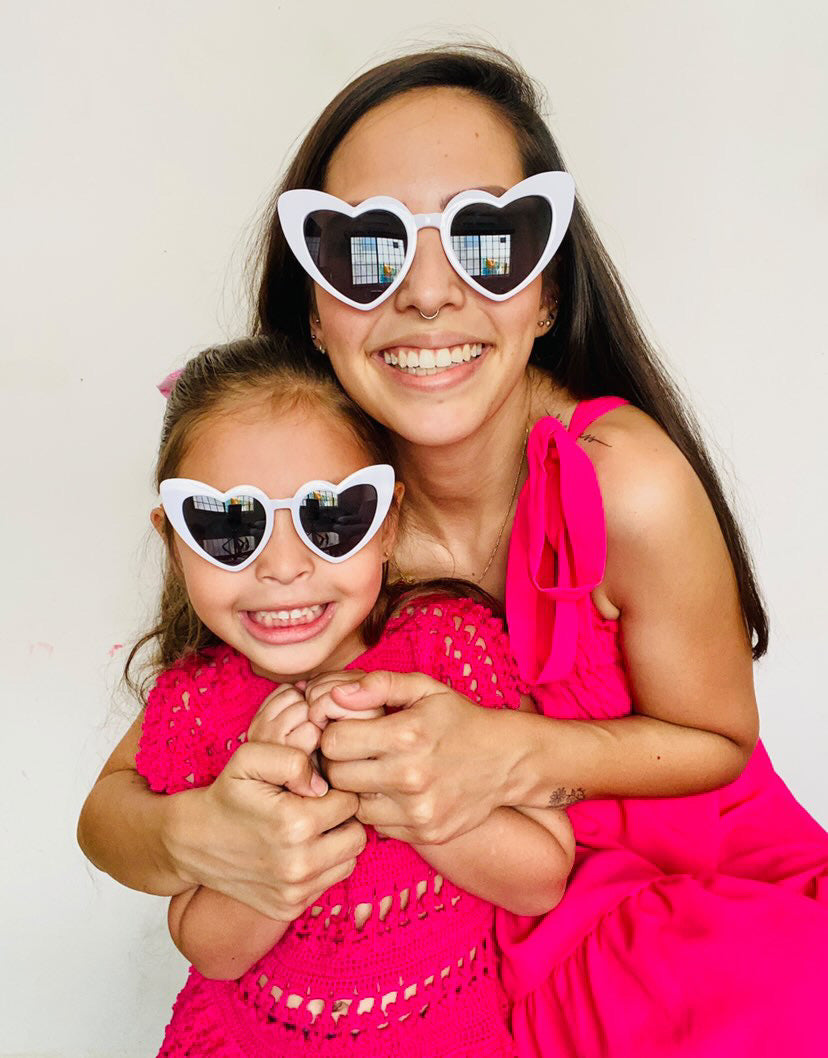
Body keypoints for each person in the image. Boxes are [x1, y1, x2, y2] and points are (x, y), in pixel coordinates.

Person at [78, 46, 828, 1056]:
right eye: (367, 250)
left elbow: (719, 742)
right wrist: (193, 835)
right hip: (432, 941)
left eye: (489, 241)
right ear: (313, 307)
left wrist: (513, 752)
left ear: (548, 291)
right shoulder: (318, 519)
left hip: (665, 890)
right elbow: (124, 795)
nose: (429, 294)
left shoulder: (625, 483)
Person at [120, 334, 573, 1056]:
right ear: (175, 541)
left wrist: (407, 791)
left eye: (329, 516)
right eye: (229, 526)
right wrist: (280, 818)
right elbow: (212, 952)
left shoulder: (451, 650)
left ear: (388, 524)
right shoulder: (192, 704)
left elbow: (541, 880)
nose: (284, 567)